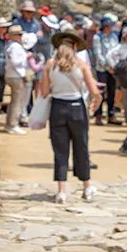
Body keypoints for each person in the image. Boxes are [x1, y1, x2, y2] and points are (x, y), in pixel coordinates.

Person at [40, 29, 101, 204]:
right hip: (76, 108)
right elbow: (93, 90)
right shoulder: (81, 65)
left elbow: (44, 92)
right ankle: (86, 186)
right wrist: (96, 101)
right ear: (74, 47)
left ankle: (61, 191)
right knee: (81, 146)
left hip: (58, 108)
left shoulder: (50, 65)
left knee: (60, 150)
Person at [3, 24, 31, 134]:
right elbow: (15, 61)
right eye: (19, 35)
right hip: (16, 76)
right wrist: (26, 57)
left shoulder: (10, 45)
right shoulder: (15, 47)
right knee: (17, 102)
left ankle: (9, 124)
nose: (20, 36)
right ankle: (12, 125)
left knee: (14, 101)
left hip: (12, 75)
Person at [106, 25, 127, 126]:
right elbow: (109, 55)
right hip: (124, 75)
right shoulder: (119, 48)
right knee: (126, 96)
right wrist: (114, 67)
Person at [91, 17, 118, 125]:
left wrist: (114, 66)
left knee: (112, 91)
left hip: (113, 68)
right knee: (100, 91)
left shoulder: (114, 37)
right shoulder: (97, 37)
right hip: (102, 68)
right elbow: (98, 54)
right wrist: (108, 67)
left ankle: (111, 115)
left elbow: (116, 51)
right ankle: (98, 114)